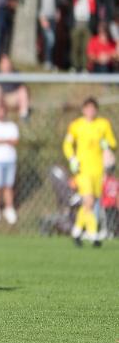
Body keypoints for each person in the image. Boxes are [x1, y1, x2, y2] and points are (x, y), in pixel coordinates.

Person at [62, 97, 116, 247]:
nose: (90, 111)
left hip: (98, 170)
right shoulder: (76, 125)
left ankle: (77, 231)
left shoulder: (103, 124)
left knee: (89, 204)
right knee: (89, 201)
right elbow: (67, 144)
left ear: (96, 110)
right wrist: (72, 159)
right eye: (88, 108)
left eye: (93, 108)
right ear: (83, 110)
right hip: (82, 170)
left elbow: (113, 142)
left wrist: (107, 144)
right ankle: (93, 234)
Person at [0, 54, 31, 120]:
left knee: (22, 90)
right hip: (0, 98)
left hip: (13, 98)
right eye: (4, 63)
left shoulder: (16, 73)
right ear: (0, 64)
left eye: (8, 63)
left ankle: (24, 116)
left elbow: (24, 88)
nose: (6, 65)